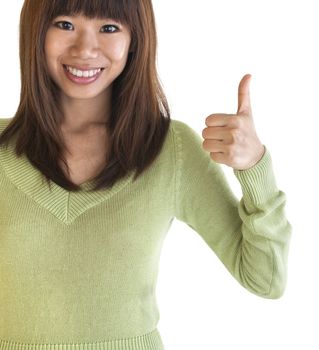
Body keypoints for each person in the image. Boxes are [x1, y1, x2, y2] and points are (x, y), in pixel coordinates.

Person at [0, 1, 292, 349]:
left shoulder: (172, 150)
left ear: (135, 40)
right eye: (64, 24)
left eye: (109, 28)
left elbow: (264, 279)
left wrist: (254, 167)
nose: (85, 49)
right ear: (35, 32)